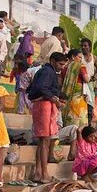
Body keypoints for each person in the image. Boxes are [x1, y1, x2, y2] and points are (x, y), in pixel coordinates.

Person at [28, 52, 67, 184]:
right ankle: (44, 174)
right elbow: (41, 88)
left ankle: (38, 173)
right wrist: (53, 98)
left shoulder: (44, 71)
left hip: (42, 105)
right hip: (44, 106)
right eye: (60, 64)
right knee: (45, 140)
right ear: (53, 60)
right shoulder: (47, 72)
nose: (62, 67)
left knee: (42, 141)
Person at [60, 48, 89, 130]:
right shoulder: (80, 66)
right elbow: (87, 79)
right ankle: (77, 137)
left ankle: (68, 135)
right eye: (79, 57)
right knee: (79, 119)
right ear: (73, 57)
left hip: (66, 97)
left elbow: (61, 83)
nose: (80, 59)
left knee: (69, 116)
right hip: (78, 98)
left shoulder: (64, 67)